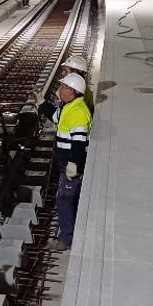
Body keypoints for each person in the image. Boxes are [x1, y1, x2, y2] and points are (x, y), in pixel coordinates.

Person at [53, 73, 92, 251]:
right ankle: (68, 233)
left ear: (71, 91)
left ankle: (66, 238)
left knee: (65, 199)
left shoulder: (77, 112)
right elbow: (56, 118)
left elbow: (78, 143)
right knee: (67, 199)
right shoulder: (69, 107)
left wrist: (72, 166)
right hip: (66, 164)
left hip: (71, 166)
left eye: (62, 87)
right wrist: (41, 105)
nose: (59, 90)